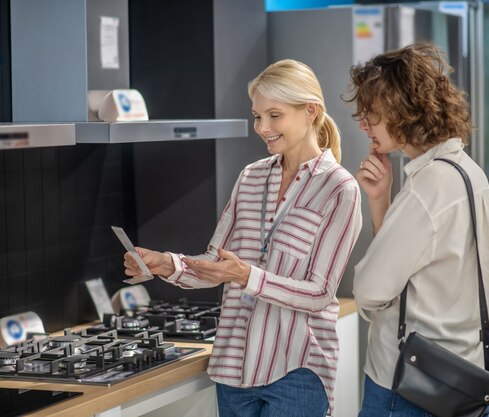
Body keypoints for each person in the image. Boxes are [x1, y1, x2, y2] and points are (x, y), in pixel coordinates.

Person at [124, 59, 362, 417]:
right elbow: (216, 264)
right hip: (232, 369)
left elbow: (319, 293)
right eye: (256, 116)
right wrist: (166, 264)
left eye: (274, 115)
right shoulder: (251, 177)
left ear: (310, 111)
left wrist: (244, 276)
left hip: (296, 370)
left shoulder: (339, 189)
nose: (262, 127)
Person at [348, 43, 489, 416]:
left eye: (373, 114)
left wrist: (383, 206)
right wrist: (382, 201)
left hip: (409, 385)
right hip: (462, 378)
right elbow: (417, 267)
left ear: (403, 112)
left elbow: (368, 290)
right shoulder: (468, 173)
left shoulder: (427, 187)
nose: (363, 124)